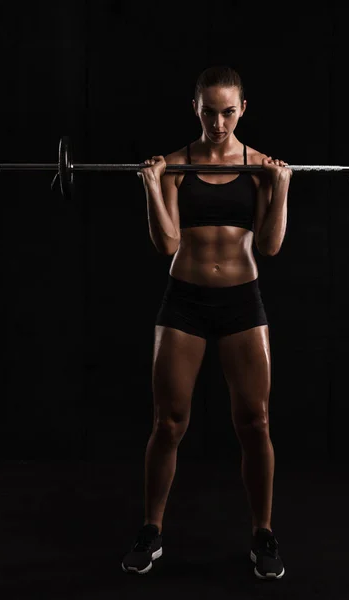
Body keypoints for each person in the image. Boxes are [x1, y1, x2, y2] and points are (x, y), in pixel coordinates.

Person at [121, 65, 291, 580]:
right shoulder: (172, 166)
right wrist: (151, 186)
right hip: (185, 302)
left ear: (242, 109)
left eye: (228, 111)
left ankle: (263, 533)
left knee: (255, 422)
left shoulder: (263, 167)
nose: (219, 122)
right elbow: (167, 244)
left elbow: (270, 246)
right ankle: (151, 531)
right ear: (196, 108)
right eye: (209, 111)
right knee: (168, 423)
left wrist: (282, 187)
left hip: (242, 301)